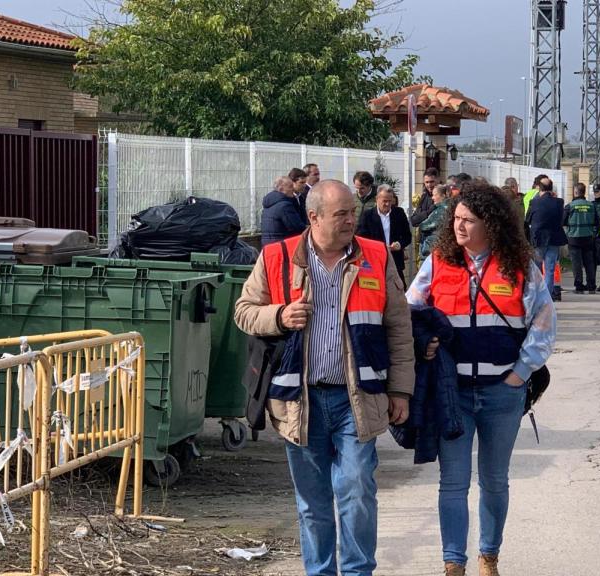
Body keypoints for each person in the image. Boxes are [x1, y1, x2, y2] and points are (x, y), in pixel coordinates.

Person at [234, 180, 414, 576]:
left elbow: (399, 328)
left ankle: (357, 571)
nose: (352, 220)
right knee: (312, 503)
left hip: (358, 400)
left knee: (356, 490)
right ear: (313, 218)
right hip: (300, 403)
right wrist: (278, 316)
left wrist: (401, 389)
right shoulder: (276, 257)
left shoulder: (376, 257)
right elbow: (244, 311)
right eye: (342, 214)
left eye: (353, 212)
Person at [405, 181, 556, 576]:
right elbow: (410, 311)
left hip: (501, 394)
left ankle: (489, 557)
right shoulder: (437, 261)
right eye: (455, 219)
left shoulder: (520, 266)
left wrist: (520, 373)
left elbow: (543, 321)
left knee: (494, 481)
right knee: (452, 482)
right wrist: (424, 343)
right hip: (452, 394)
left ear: (490, 224)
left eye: (468, 220)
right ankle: (453, 563)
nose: (458, 226)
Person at [358, 184, 413, 287]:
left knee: (399, 292)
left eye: (390, 201)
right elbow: (361, 238)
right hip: (375, 262)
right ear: (377, 199)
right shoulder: (367, 215)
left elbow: (407, 236)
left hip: (395, 262)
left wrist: (399, 244)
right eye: (384, 201)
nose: (387, 204)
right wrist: (380, 247)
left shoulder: (399, 213)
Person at [525, 177, 568, 301]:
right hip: (554, 239)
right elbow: (560, 218)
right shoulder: (559, 202)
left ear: (539, 187)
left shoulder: (535, 202)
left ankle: (537, 294)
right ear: (551, 188)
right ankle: (547, 296)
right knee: (549, 269)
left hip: (538, 239)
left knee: (537, 269)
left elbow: (527, 219)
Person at [563, 182, 599, 294]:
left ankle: (579, 286)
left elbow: (563, 221)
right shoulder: (591, 205)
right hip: (588, 237)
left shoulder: (570, 206)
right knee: (589, 262)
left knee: (576, 263)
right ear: (584, 192)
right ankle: (591, 285)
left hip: (574, 238)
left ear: (575, 192)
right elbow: (597, 222)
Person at [261, 175, 307, 246]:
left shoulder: (268, 204)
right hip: (282, 246)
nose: (293, 189)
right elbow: (297, 227)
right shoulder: (285, 206)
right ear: (281, 189)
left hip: (268, 245)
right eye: (290, 186)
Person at [418, 184, 450, 258]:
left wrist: (421, 225)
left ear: (443, 195)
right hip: (441, 248)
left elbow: (425, 225)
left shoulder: (441, 209)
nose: (432, 198)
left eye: (435, 195)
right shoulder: (449, 207)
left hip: (432, 249)